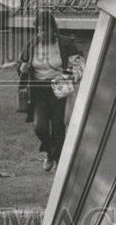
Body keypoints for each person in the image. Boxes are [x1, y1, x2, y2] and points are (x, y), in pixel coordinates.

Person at [16, 10, 84, 173]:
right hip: (39, 91)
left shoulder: (66, 43)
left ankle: (58, 158)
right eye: (40, 30)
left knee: (59, 126)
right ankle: (50, 152)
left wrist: (67, 76)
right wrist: (23, 68)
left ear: (54, 28)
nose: (43, 33)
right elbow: (21, 65)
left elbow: (79, 65)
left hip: (60, 90)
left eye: (46, 29)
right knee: (40, 127)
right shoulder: (32, 44)